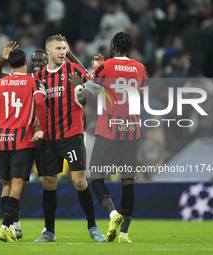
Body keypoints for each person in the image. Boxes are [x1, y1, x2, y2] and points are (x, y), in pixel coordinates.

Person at [71, 31, 148, 243]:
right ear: (130, 47)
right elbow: (141, 96)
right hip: (131, 130)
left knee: (96, 178)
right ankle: (124, 234)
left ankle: (113, 214)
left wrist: (80, 84)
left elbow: (85, 98)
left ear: (113, 46)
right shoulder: (140, 68)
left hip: (108, 129)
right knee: (128, 180)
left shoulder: (104, 67)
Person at [33, 35, 105, 243]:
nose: (62, 52)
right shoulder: (40, 76)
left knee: (79, 181)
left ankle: (93, 227)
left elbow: (94, 86)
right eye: (58, 48)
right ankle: (49, 232)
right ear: (48, 51)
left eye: (64, 48)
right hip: (49, 138)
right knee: (49, 182)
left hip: (71, 134)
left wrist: (96, 72)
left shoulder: (72, 69)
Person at [0, 48, 47, 243]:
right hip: (22, 140)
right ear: (26, 62)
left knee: (6, 186)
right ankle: (4, 227)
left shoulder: (0, 83)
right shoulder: (33, 82)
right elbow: (41, 104)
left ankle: (13, 226)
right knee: (18, 186)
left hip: (1, 140)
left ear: (9, 65)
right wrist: (41, 128)